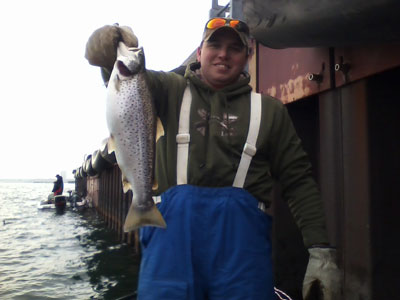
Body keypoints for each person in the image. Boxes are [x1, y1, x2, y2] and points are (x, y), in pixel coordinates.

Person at [85, 18, 341, 300]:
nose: (223, 54)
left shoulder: (269, 111)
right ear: (199, 52)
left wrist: (321, 250)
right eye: (215, 45)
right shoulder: (169, 89)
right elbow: (127, 81)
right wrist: (110, 47)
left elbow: (298, 182)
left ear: (248, 56)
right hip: (170, 252)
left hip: (242, 259)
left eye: (234, 48)